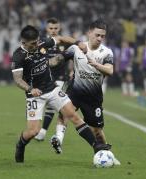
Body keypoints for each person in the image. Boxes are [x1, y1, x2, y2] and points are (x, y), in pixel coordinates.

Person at [11, 25, 111, 163]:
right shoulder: (18, 56)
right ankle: (20, 144)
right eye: (33, 44)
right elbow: (17, 79)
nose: (36, 45)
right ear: (23, 43)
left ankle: (96, 147)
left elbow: (60, 39)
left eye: (37, 41)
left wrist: (77, 43)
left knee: (73, 116)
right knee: (33, 132)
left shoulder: (42, 43)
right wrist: (29, 89)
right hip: (35, 95)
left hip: (52, 89)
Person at [50, 19, 115, 154]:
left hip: (93, 97)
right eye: (97, 35)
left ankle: (106, 154)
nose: (100, 38)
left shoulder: (106, 52)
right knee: (64, 113)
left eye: (102, 36)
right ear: (89, 33)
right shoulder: (75, 48)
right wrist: (43, 62)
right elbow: (57, 60)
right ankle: (58, 139)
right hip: (75, 91)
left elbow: (110, 70)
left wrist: (96, 64)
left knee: (96, 131)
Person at [34, 18, 72, 141]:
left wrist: (72, 70)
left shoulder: (64, 42)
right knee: (41, 103)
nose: (53, 31)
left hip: (60, 77)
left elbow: (72, 57)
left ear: (59, 28)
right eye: (51, 28)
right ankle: (40, 130)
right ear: (47, 28)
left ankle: (43, 132)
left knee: (51, 104)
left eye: (56, 28)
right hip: (45, 77)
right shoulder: (42, 42)